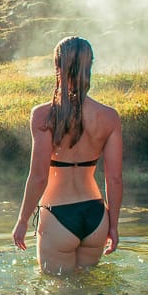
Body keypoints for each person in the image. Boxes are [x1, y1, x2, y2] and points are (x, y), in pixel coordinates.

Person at [12, 36, 123, 275]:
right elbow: (114, 179)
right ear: (89, 66)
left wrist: (22, 221)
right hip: (96, 216)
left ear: (58, 67)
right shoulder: (109, 116)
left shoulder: (43, 115)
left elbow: (39, 177)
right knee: (89, 289)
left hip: (58, 214)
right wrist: (113, 226)